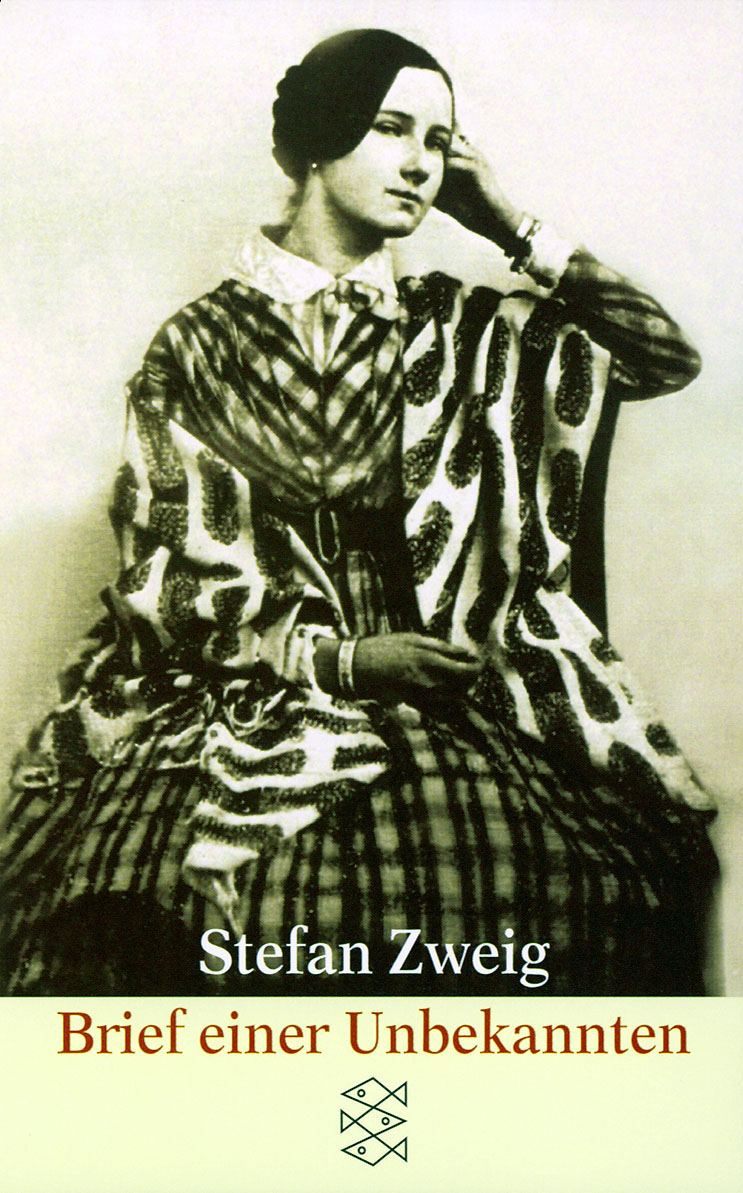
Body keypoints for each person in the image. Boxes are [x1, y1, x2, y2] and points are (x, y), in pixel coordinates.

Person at [0, 28, 718, 996]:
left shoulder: (459, 326)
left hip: (449, 673)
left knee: (572, 878)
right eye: (390, 127)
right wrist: (339, 661)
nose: (420, 162)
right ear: (316, 140)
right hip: (250, 672)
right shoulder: (202, 342)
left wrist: (507, 223)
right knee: (190, 893)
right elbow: (167, 575)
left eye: (439, 141)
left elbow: (657, 354)